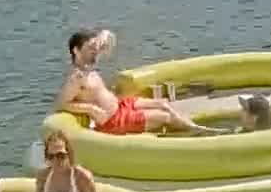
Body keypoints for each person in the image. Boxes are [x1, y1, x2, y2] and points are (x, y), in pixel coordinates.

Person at [55, 29, 213, 135]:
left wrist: (102, 36)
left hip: (121, 105)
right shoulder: (76, 78)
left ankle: (190, 127)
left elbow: (110, 37)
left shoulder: (88, 66)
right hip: (114, 121)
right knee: (165, 116)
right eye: (90, 48)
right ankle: (197, 132)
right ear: (76, 50)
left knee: (163, 104)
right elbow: (61, 104)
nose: (95, 51)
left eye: (95, 47)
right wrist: (90, 109)